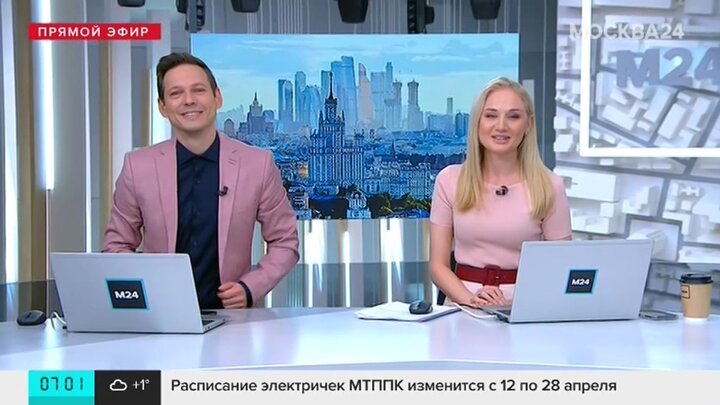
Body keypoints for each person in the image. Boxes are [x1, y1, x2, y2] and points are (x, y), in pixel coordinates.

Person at [103, 52, 299, 309]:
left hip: (233, 318)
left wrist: (250, 288)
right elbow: (117, 245)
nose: (189, 100)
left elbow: (285, 241)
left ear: (217, 98)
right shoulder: (137, 167)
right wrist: (143, 290)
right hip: (159, 315)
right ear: (162, 107)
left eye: (198, 90)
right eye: (176, 93)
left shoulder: (257, 164)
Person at [429, 77, 571, 308]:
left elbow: (561, 266)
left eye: (513, 116)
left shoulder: (549, 185)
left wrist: (515, 304)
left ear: (528, 125)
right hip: (462, 305)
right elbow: (438, 266)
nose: (501, 126)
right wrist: (472, 300)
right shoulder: (449, 180)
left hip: (524, 305)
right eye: (491, 115)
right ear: (477, 122)